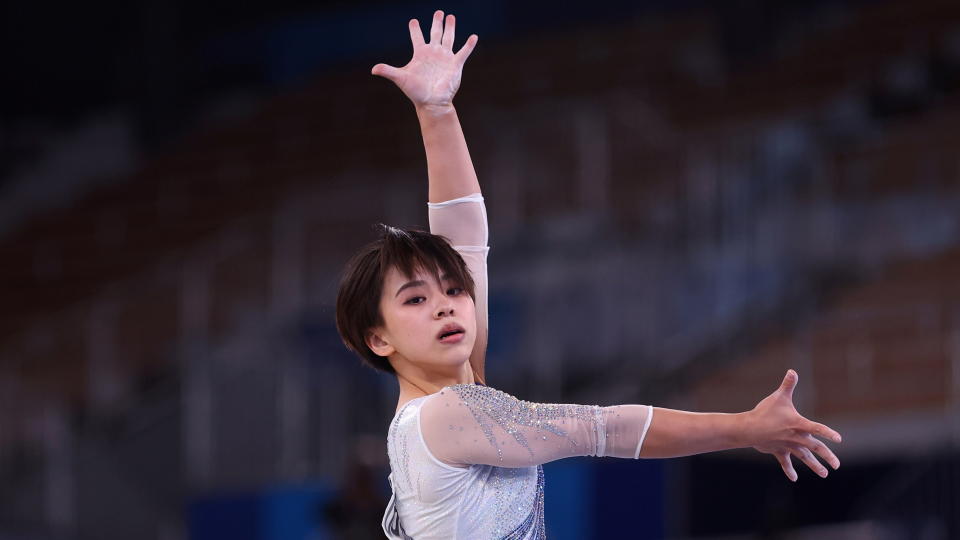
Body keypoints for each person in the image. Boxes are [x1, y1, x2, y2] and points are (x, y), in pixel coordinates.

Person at [334, 10, 843, 539]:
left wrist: (437, 111)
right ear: (378, 336)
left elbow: (465, 241)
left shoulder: (461, 395)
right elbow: (604, 429)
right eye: (414, 300)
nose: (446, 304)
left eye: (455, 290)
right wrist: (743, 427)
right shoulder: (446, 415)